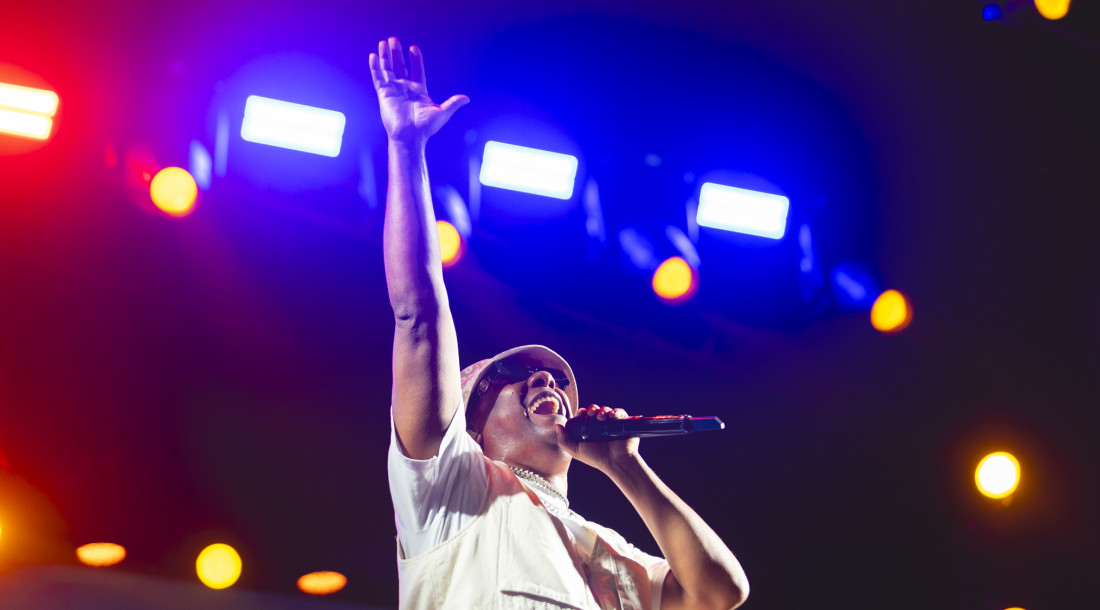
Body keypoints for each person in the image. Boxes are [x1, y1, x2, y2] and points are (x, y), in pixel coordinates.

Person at [371, 36, 749, 610]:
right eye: (517, 374)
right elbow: (418, 315)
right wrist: (405, 148)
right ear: (470, 424)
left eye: (557, 379)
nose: (548, 381)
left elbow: (720, 593)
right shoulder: (453, 491)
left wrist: (627, 466)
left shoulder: (609, 553)